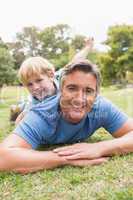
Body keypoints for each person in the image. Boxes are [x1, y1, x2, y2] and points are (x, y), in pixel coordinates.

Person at [1, 59, 133, 174]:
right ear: (60, 90)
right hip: (31, 111)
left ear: (96, 94)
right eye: (72, 88)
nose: (79, 100)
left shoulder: (100, 106)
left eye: (88, 91)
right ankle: (17, 109)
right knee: (20, 116)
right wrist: (66, 158)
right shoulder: (41, 114)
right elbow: (4, 157)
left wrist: (99, 147)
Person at [15, 38, 94, 124]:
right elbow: (22, 120)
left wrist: (88, 47)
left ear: (51, 76)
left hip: (62, 104)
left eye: (39, 80)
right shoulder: (34, 102)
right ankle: (15, 109)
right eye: (29, 84)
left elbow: (75, 61)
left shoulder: (61, 77)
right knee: (23, 113)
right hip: (41, 108)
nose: (36, 87)